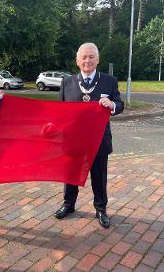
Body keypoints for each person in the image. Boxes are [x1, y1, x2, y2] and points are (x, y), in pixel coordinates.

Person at [54, 42, 124, 228]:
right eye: (83, 57)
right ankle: (68, 204)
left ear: (98, 59)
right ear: (77, 61)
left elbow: (120, 104)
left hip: (99, 139)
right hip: (72, 140)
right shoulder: (67, 82)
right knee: (70, 174)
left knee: (99, 176)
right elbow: (60, 112)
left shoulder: (109, 81)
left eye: (91, 57)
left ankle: (101, 209)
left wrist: (112, 105)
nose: (87, 60)